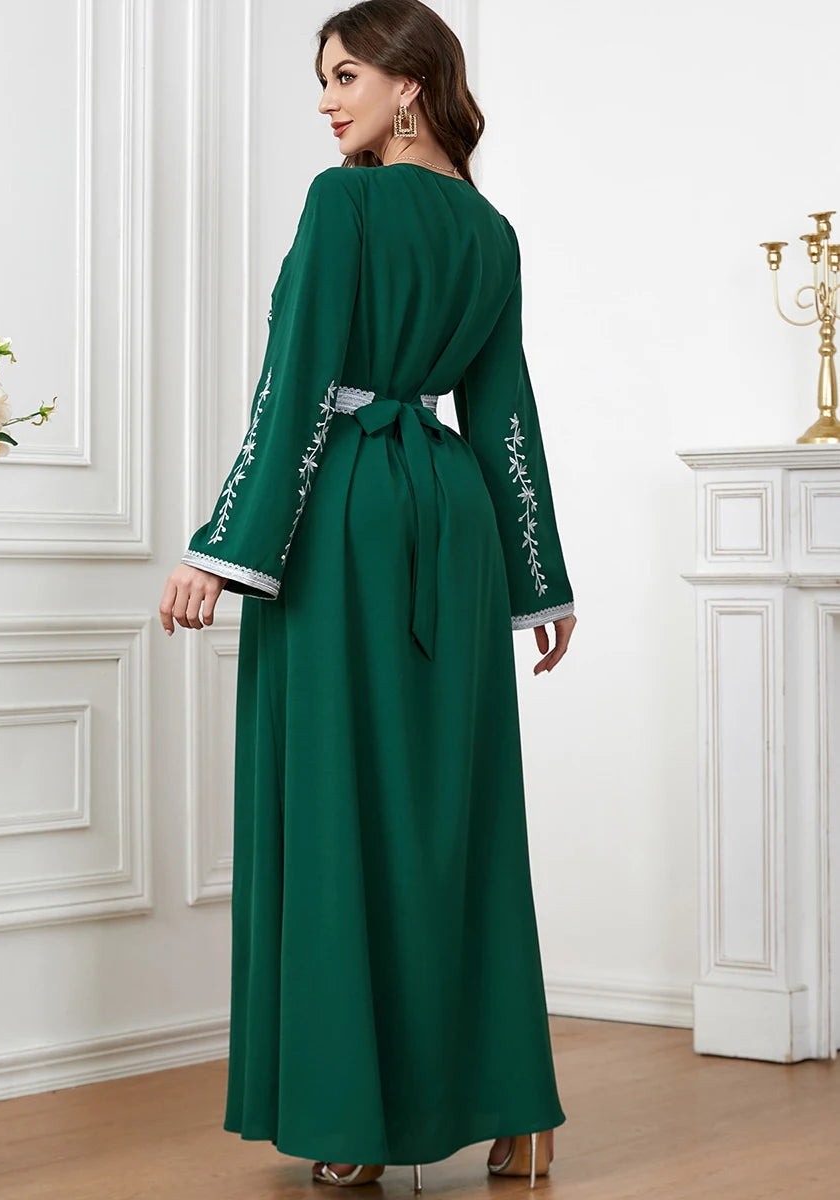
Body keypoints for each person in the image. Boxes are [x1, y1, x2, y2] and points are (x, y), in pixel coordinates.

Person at [159, 0, 577, 1191]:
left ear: (411, 84)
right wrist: (538, 578)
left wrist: (221, 548)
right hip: (453, 516)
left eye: (348, 74)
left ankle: (353, 1118)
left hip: (342, 517)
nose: (328, 98)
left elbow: (295, 385)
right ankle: (519, 1115)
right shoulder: (490, 231)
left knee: (339, 808)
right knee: (460, 814)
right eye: (324, 78)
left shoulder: (342, 203)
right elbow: (502, 411)